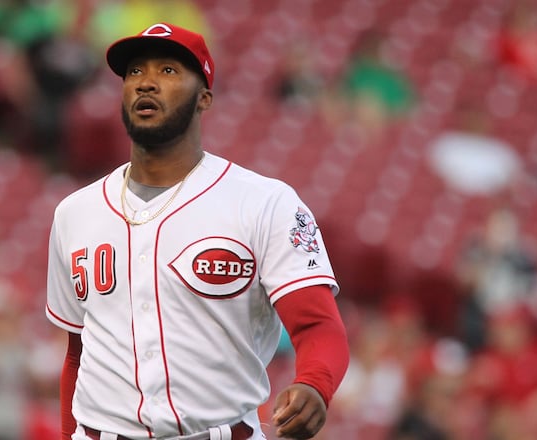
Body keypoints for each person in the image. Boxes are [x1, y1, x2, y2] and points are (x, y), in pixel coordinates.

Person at [45, 23, 349, 440]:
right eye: (135, 72)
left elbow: (317, 325)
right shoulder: (74, 213)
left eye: (168, 71)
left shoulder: (264, 202)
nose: (146, 83)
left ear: (204, 97)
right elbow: (76, 356)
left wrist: (315, 383)